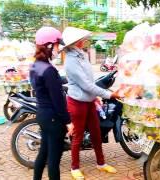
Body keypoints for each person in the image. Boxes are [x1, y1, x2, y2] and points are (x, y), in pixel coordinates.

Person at [61, 27, 120, 179]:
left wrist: (95, 97)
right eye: (83, 39)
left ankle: (101, 163)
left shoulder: (82, 55)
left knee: (96, 133)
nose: (86, 41)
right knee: (78, 136)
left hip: (88, 101)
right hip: (77, 103)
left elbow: (90, 81)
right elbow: (86, 85)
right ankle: (74, 168)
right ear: (76, 42)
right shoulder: (70, 61)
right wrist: (109, 94)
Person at [30, 27, 74, 180]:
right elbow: (58, 100)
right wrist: (68, 122)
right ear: (49, 46)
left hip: (42, 115)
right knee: (54, 161)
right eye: (56, 45)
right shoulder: (49, 70)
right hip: (54, 119)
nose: (58, 49)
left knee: (43, 153)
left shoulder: (35, 65)